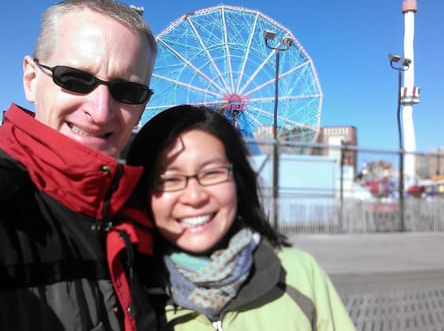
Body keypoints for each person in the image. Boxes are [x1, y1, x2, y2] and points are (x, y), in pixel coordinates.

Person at [0, 0, 158, 330]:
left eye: (128, 91)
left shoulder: (142, 216)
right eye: (75, 79)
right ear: (30, 78)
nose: (100, 111)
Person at [126, 105, 356, 331]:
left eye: (212, 172)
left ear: (238, 179)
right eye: (170, 179)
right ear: (142, 189)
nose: (194, 197)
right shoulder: (126, 295)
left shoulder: (300, 273)